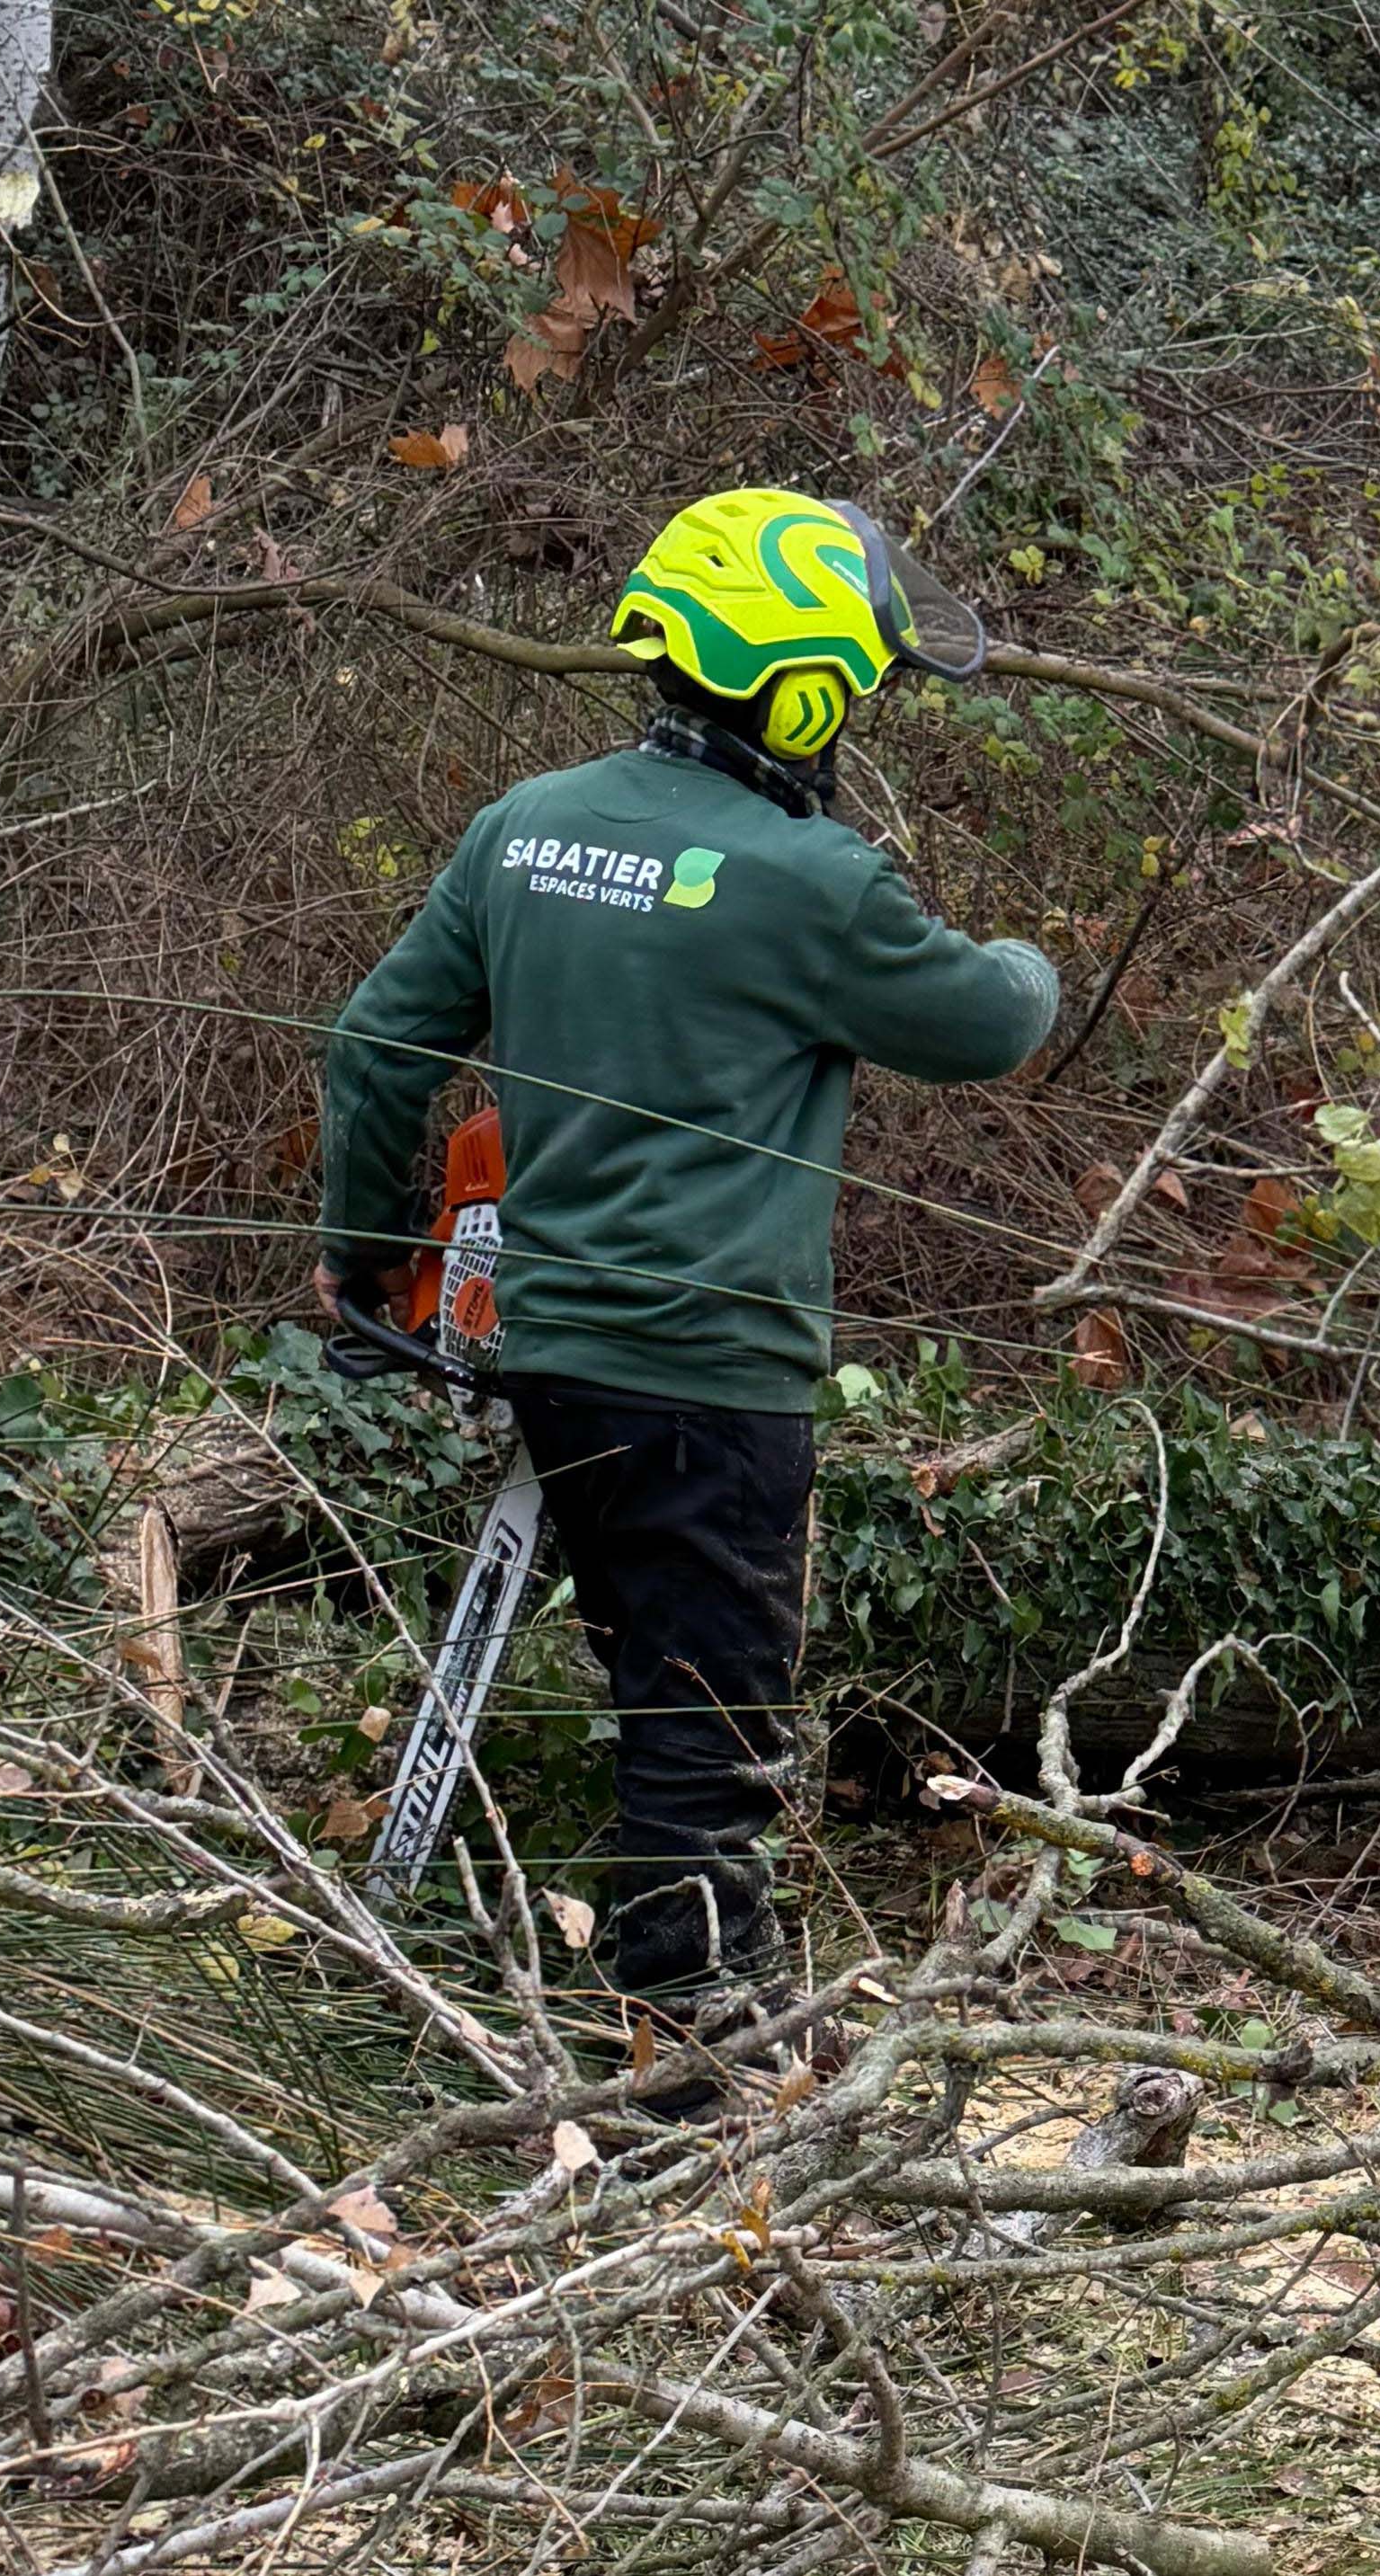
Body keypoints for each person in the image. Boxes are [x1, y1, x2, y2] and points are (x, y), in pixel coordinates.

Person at [316, 489, 1059, 2030]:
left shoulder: (522, 828)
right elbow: (992, 1021)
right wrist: (1031, 958)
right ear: (798, 687)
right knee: (707, 1739)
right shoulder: (813, 880)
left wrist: (368, 1259)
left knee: (656, 1693)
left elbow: (377, 1047)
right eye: (855, 682)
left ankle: (669, 2019)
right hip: (713, 1377)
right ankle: (692, 2065)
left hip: (551, 1358)